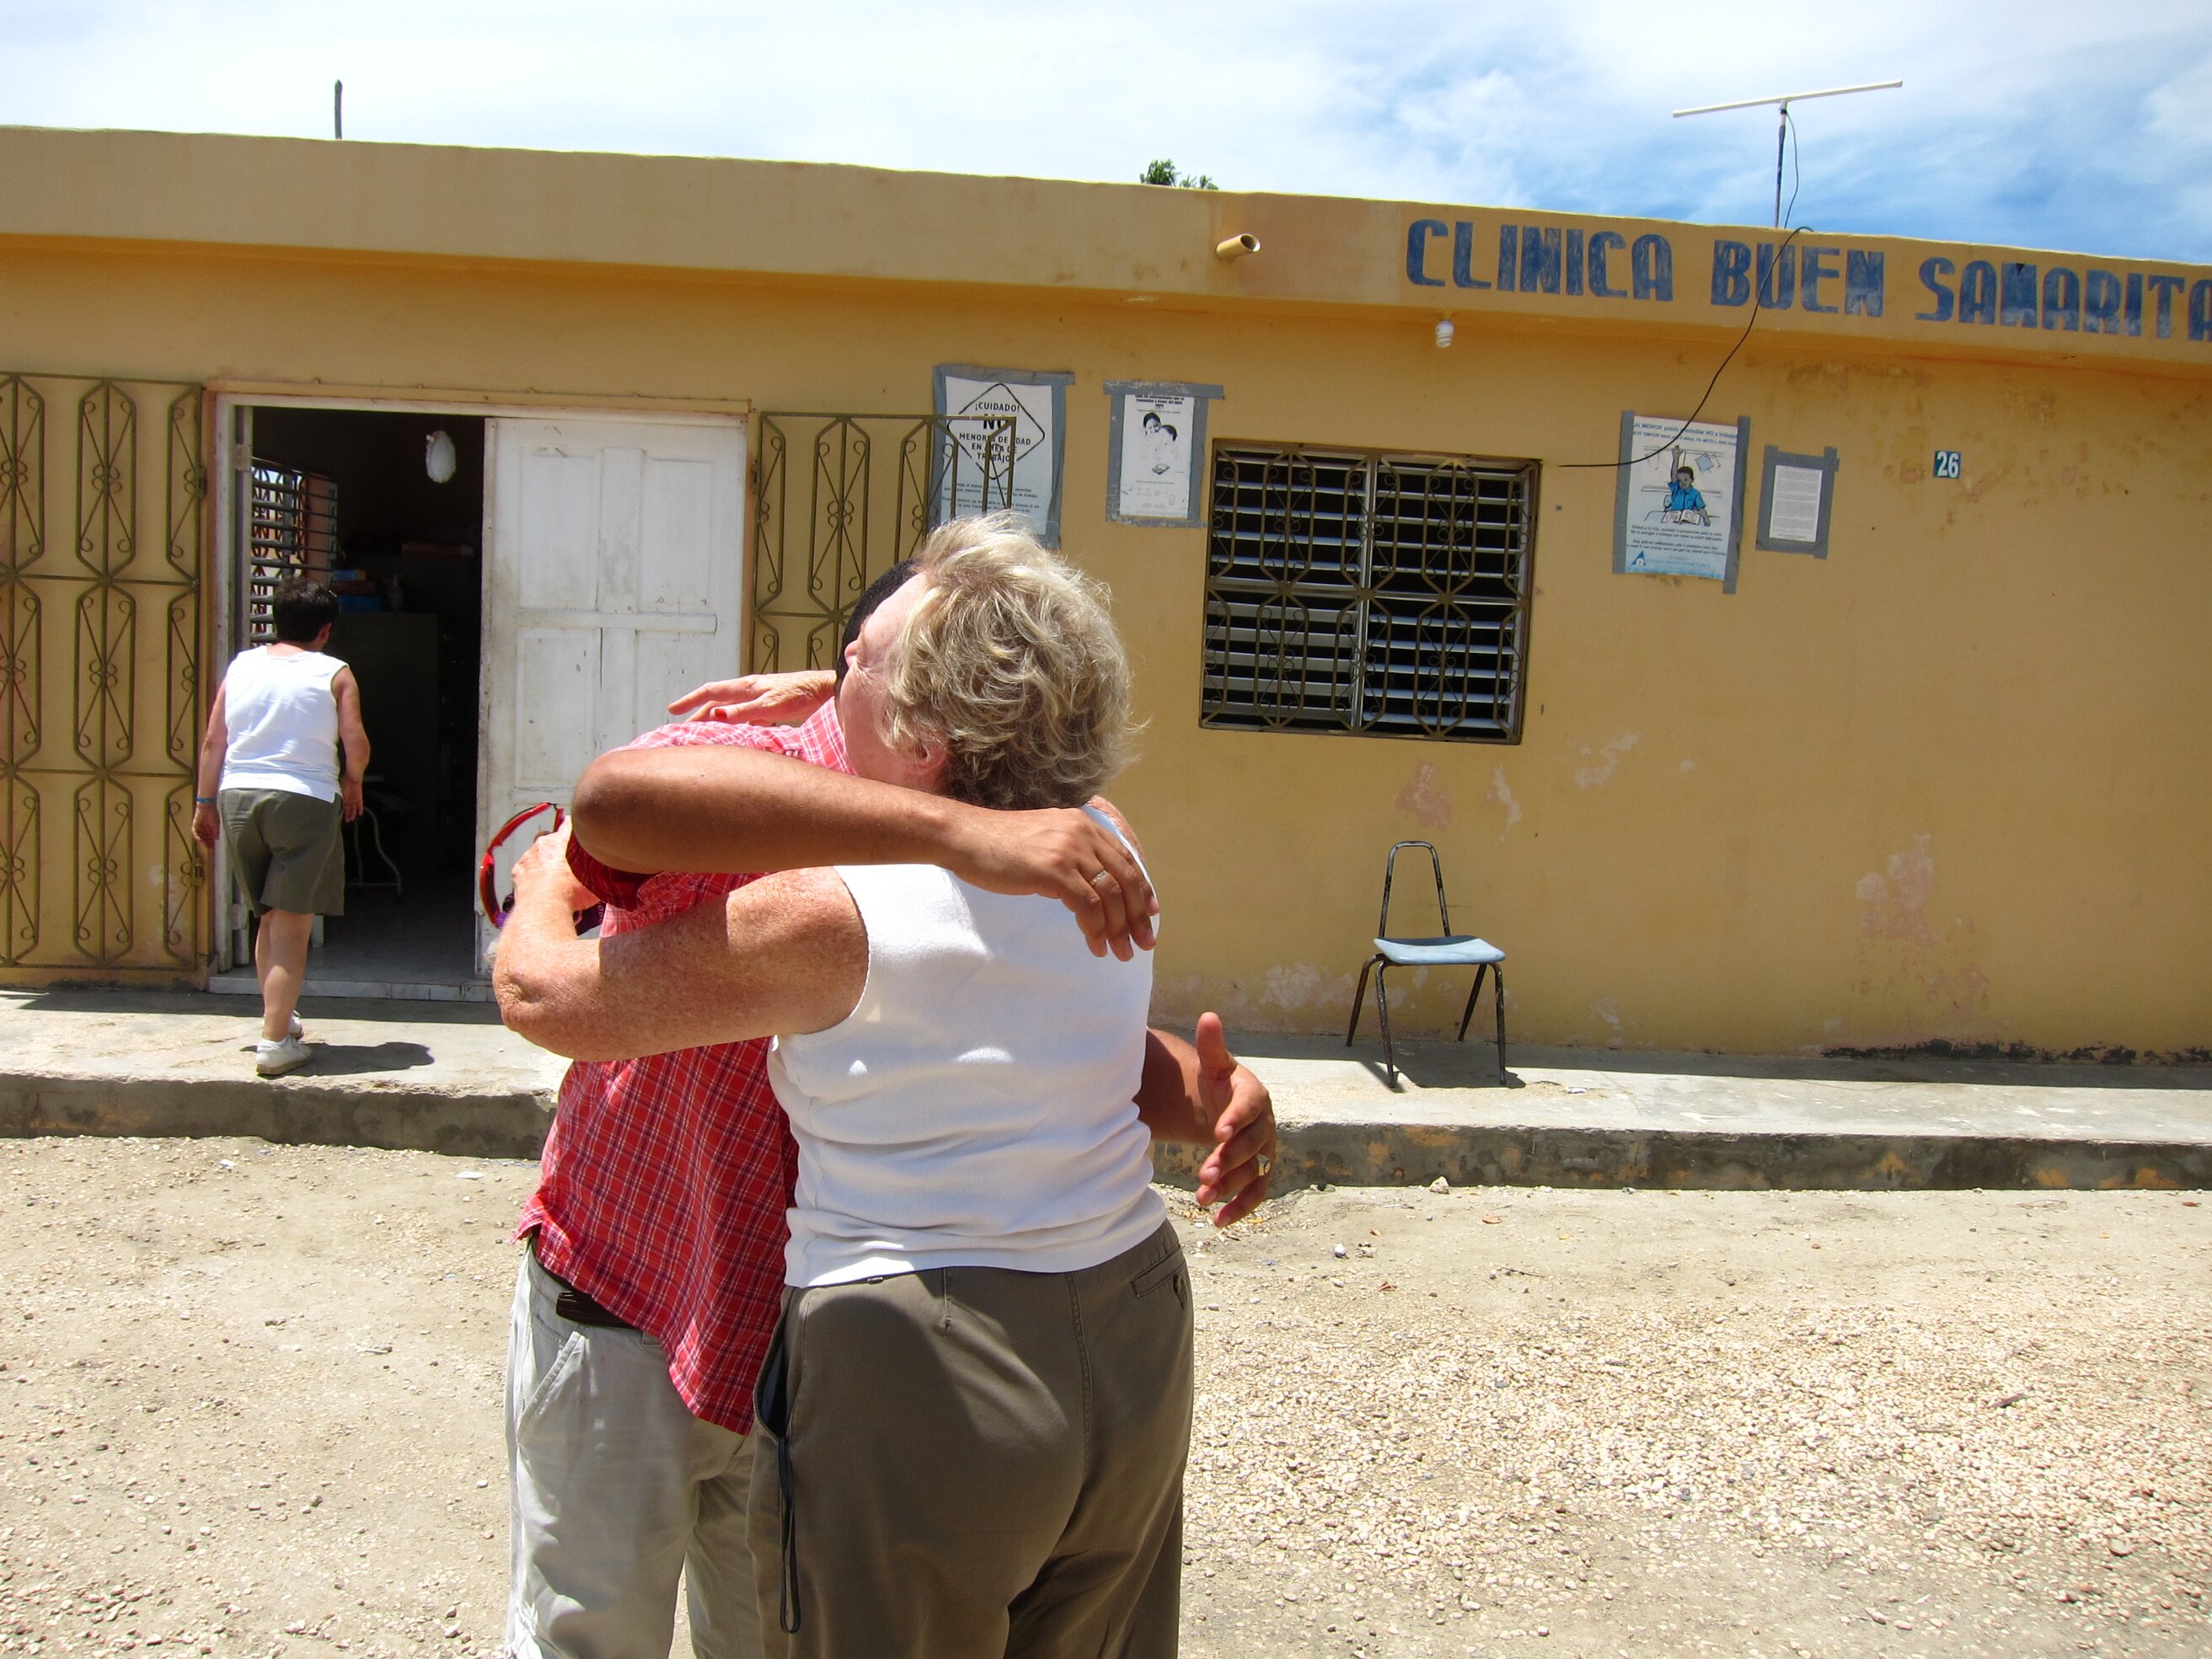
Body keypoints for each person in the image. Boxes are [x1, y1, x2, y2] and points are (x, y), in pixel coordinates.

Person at [495, 557, 1274, 1659]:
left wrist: (539, 894)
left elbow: (545, 987)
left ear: (925, 728)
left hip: (859, 1333)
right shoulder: (1085, 836)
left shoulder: (866, 902)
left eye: (859, 661)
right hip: (648, 1284)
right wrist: (939, 815)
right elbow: (617, 801)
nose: (830, 673)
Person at [191, 575, 368, 1076]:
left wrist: (204, 803)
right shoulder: (335, 673)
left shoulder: (241, 665)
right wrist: (353, 781)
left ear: (276, 621)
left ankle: (279, 1017)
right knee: (293, 923)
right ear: (325, 630)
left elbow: (214, 741)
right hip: (304, 799)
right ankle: (274, 1044)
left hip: (238, 796)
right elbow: (354, 740)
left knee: (267, 916)